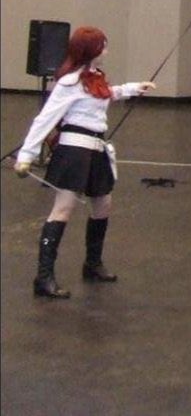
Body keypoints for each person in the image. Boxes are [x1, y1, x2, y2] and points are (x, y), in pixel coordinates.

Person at [14, 26, 155, 298]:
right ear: (91, 50)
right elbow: (45, 119)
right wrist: (26, 155)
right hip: (74, 152)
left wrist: (134, 88)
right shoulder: (69, 83)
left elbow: (106, 93)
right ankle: (43, 277)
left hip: (96, 150)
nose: (106, 51)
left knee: (103, 205)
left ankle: (93, 264)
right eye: (103, 46)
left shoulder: (94, 77)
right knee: (63, 209)